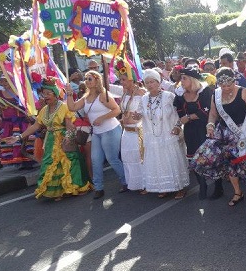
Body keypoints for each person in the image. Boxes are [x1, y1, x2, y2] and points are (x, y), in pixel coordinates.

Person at [192, 67, 246, 207]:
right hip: (225, 134)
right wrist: (210, 125)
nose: (225, 88)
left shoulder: (244, 92)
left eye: (229, 84)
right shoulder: (216, 95)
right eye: (222, 85)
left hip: (244, 130)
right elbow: (213, 113)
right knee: (230, 163)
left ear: (234, 80)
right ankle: (238, 192)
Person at [5, 79, 91, 200]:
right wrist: (19, 137)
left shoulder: (64, 107)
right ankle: (58, 190)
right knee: (50, 163)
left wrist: (68, 137)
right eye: (43, 94)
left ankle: (76, 187)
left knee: (70, 161)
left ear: (55, 95)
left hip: (64, 138)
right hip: (50, 140)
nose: (45, 96)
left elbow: (70, 125)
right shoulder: (44, 110)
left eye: (48, 94)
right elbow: (36, 125)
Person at [66, 70, 126, 199]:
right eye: (86, 79)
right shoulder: (86, 97)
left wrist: (102, 118)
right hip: (97, 133)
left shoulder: (103, 95)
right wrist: (69, 94)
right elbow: (72, 107)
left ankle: (125, 181)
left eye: (90, 79)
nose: (87, 82)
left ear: (97, 80)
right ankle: (98, 188)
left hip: (110, 130)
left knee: (112, 159)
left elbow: (117, 110)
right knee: (95, 159)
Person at [137, 69, 190, 199]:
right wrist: (137, 115)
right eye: (147, 82)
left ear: (158, 82)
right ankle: (164, 187)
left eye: (152, 82)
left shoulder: (169, 96)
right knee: (158, 163)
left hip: (169, 134)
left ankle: (180, 187)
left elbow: (179, 114)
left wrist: (178, 127)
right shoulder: (143, 99)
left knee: (172, 160)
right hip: (153, 136)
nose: (150, 85)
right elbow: (139, 114)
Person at [174, 66, 223, 200]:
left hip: (205, 129)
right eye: (181, 78)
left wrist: (189, 117)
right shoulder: (180, 95)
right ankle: (203, 185)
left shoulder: (205, 92)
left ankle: (218, 187)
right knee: (194, 159)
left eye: (184, 78)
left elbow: (208, 111)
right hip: (190, 131)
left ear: (192, 79)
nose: (181, 81)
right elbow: (180, 113)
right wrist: (181, 122)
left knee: (211, 159)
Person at [108, 59, 146, 193]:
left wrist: (141, 116)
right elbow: (106, 86)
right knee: (128, 158)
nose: (122, 82)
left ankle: (145, 184)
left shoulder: (141, 92)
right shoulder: (123, 93)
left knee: (140, 158)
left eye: (124, 80)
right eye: (120, 80)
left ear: (131, 79)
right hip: (127, 132)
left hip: (138, 131)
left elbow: (147, 110)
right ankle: (134, 184)